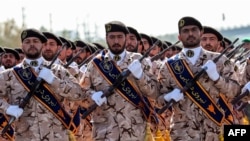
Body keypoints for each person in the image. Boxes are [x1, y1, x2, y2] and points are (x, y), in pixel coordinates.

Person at [157, 16, 241, 141]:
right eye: (185, 31)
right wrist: (168, 97)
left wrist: (217, 78)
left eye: (194, 30)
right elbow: (157, 101)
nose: (190, 33)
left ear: (201, 33)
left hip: (217, 129)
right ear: (179, 37)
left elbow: (235, 92)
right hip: (184, 132)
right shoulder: (169, 66)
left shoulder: (220, 60)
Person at [0, 28, 86, 141]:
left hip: (57, 137)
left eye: (35, 41)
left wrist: (53, 80)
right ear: (22, 46)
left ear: (42, 45)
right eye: (27, 42)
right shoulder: (9, 75)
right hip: (25, 137)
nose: (31, 44)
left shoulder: (58, 71)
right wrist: (7, 108)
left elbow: (79, 94)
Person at [79, 21, 159, 140]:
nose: (116, 41)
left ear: (126, 38)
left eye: (119, 37)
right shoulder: (95, 64)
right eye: (112, 37)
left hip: (133, 132)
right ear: (106, 38)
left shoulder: (139, 61)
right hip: (104, 133)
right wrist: (92, 96)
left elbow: (154, 93)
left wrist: (140, 76)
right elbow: (80, 94)